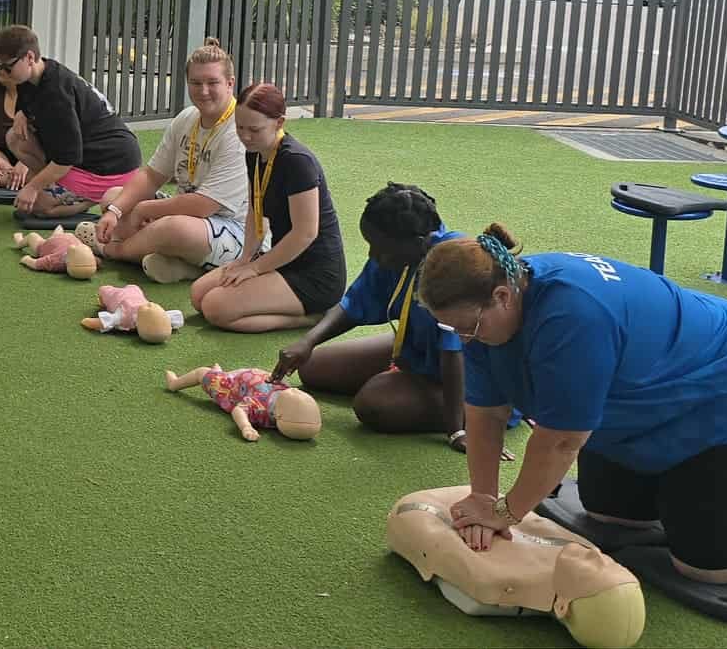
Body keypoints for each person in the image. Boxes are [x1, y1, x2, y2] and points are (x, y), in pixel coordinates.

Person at [417, 225, 727, 584]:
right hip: (651, 402)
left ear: (502, 296)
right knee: (609, 516)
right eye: (452, 328)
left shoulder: (572, 317)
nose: (464, 338)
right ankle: (687, 496)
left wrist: (505, 513)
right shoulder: (486, 317)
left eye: (467, 326)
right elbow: (485, 414)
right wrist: (482, 498)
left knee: (708, 564)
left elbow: (561, 442)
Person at [270, 183, 513, 458]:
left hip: (468, 373)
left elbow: (452, 352)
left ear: (418, 242)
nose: (373, 256)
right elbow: (356, 301)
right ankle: (406, 386)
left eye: (379, 248)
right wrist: (308, 341)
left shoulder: (451, 263)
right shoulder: (401, 249)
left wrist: (457, 430)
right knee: (311, 366)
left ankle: (487, 411)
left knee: (373, 404)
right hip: (418, 349)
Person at [87, 40, 247, 284]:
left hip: (236, 229)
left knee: (173, 229)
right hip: (187, 216)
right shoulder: (187, 118)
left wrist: (144, 210)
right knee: (113, 197)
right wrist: (115, 211)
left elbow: (203, 206)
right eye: (196, 83)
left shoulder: (239, 130)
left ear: (230, 83)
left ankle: (114, 251)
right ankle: (180, 264)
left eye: (212, 82)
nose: (203, 91)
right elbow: (152, 176)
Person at [190, 83, 344, 333]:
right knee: (198, 295)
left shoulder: (297, 161)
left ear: (279, 122)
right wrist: (245, 259)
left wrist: (256, 268)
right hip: (282, 258)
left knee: (215, 307)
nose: (245, 136)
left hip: (315, 274)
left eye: (254, 129)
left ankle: (312, 317)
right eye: (240, 127)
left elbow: (305, 233)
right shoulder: (255, 152)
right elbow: (255, 210)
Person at [0, 25, 141, 219]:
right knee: (15, 137)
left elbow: (67, 158)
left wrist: (32, 187)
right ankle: (60, 188)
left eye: (7, 66)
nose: (2, 72)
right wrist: (22, 113)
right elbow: (26, 106)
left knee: (37, 206)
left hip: (111, 164)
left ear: (29, 57)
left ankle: (97, 196)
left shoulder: (56, 96)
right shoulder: (33, 77)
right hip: (86, 156)